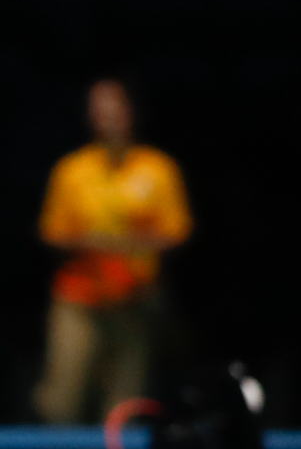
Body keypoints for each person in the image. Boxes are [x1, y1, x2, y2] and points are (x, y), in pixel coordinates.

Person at [34, 77, 191, 423]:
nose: (107, 116)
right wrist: (95, 243)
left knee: (124, 404)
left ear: (132, 111)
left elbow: (177, 232)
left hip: (134, 300)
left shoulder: (159, 169)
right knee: (60, 400)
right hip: (78, 298)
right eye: (98, 109)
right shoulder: (71, 170)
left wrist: (130, 245)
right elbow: (53, 232)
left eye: (114, 108)